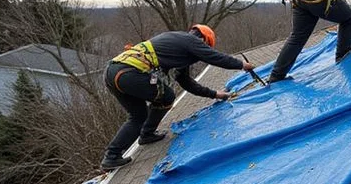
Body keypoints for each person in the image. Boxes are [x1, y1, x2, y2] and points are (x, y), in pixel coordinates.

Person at [101, 24, 255, 170]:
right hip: (128, 73)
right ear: (202, 40)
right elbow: (214, 57)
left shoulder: (177, 45)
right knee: (167, 96)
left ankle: (112, 156)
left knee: (138, 116)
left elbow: (186, 83)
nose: (203, 50)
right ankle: (146, 132)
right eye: (205, 46)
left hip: (113, 73)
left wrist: (214, 94)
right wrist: (241, 65)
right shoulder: (190, 40)